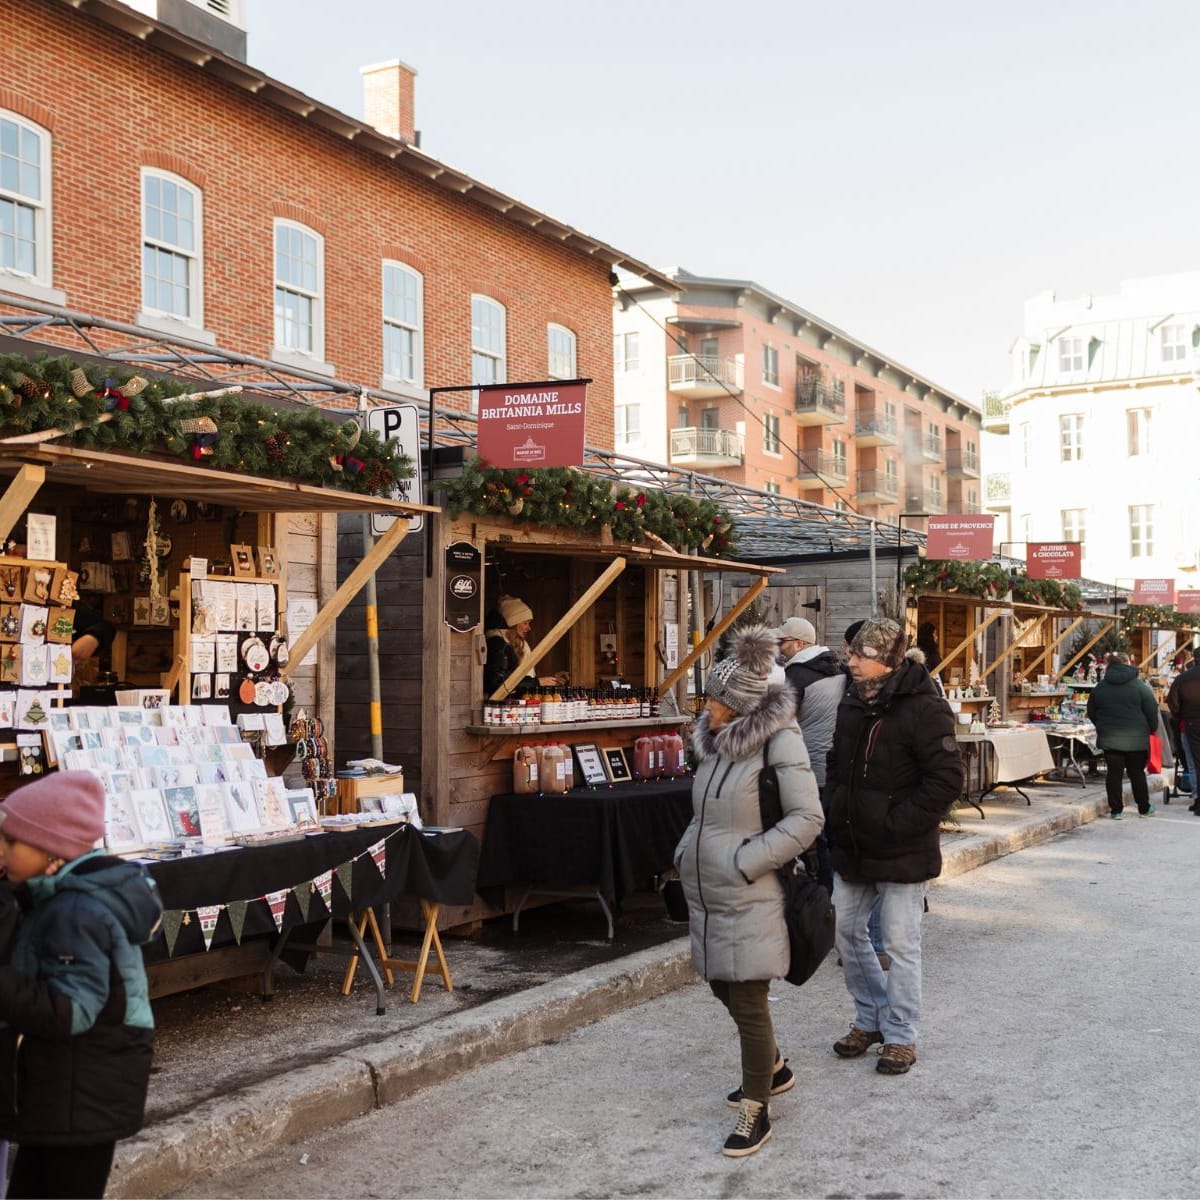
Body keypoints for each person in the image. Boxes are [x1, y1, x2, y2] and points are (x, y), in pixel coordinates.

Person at [674, 625, 823, 1157]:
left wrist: (746, 862)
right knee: (719, 979)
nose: (706, 707)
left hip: (750, 889)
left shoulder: (780, 740)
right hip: (709, 889)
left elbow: (807, 818)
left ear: (739, 704)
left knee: (748, 996)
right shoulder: (717, 742)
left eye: (715, 699)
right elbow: (706, 815)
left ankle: (756, 1108)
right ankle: (774, 1068)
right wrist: (686, 853)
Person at [0, 771, 163, 1199]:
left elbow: (70, 1011)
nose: (1, 850)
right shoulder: (56, 899)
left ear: (50, 850)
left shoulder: (74, 912)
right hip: (63, 1092)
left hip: (80, 1098)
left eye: (11, 841)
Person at [825, 617, 962, 1076]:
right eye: (851, 653)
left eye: (861, 655)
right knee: (846, 933)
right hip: (853, 843)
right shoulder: (850, 701)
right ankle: (870, 1018)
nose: (851, 661)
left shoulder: (925, 708)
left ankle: (901, 1034)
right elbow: (836, 762)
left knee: (901, 945)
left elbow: (946, 779)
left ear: (887, 660)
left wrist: (896, 824)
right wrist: (834, 807)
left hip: (902, 848)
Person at [775, 616, 846, 892]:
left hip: (807, 765)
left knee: (814, 835)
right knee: (831, 831)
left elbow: (778, 723)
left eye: (783, 642)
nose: (780, 648)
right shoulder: (838, 669)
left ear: (800, 644)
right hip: (835, 763)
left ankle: (823, 892)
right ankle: (838, 891)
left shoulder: (795, 676)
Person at [1088, 652, 1160, 819]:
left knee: (1114, 774)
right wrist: (1151, 729)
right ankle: (1144, 808)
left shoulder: (1100, 687)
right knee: (1137, 773)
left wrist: (1102, 726)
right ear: (1128, 664)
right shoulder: (1140, 686)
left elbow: (1091, 711)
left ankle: (1116, 810)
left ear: (1109, 666)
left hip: (1110, 738)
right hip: (1136, 739)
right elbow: (1152, 711)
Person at [482, 595, 566, 696]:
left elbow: (514, 678)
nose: (529, 628)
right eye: (525, 623)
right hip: (503, 704)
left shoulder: (514, 644)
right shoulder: (498, 644)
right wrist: (537, 682)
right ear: (514, 623)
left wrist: (550, 680)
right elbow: (497, 683)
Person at [1166, 647, 1200, 814]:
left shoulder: (1182, 679)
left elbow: (1172, 703)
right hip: (1189, 721)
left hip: (1190, 723)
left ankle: (1197, 798)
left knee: (1193, 763)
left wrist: (1180, 715)